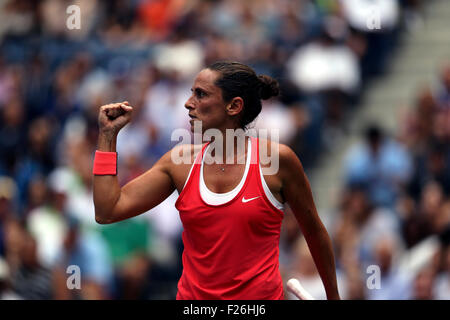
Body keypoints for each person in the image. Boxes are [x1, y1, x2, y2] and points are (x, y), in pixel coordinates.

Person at [93, 61, 340, 300]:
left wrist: (333, 297)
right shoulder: (179, 163)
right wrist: (107, 137)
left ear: (234, 106)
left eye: (201, 95)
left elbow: (314, 232)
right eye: (192, 93)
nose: (188, 103)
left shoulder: (278, 161)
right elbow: (108, 210)